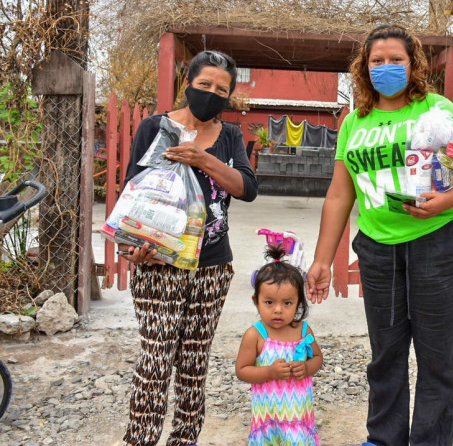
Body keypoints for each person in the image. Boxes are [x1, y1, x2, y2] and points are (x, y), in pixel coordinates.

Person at [305, 24, 453, 445]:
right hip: (378, 250)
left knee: (435, 356)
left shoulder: (437, 109)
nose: (387, 67)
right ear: (364, 68)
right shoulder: (353, 123)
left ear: (412, 65)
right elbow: (340, 195)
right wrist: (322, 259)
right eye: (377, 61)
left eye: (396, 59)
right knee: (386, 354)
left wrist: (449, 200)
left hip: (437, 244)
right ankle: (384, 438)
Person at [121, 50, 258, 446]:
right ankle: (141, 440)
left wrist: (203, 159)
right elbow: (136, 189)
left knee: (194, 362)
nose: (212, 93)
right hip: (160, 262)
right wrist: (135, 246)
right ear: (188, 84)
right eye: (205, 85)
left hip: (212, 265)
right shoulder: (155, 128)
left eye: (222, 89)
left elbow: (246, 188)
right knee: (156, 358)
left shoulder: (230, 135)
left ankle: (185, 439)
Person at [236, 244, 323, 445]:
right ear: (256, 301)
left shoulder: (303, 331)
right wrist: (270, 372)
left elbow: (317, 357)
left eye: (287, 303)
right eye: (269, 302)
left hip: (299, 417)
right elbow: (242, 370)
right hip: (267, 419)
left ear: (298, 302)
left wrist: (308, 367)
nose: (278, 310)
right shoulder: (256, 335)